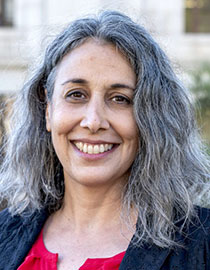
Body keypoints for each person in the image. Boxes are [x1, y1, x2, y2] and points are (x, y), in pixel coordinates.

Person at [0, 10, 210, 270]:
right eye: (76, 94)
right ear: (48, 110)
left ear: (151, 117)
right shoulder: (3, 234)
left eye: (120, 98)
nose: (93, 121)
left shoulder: (202, 245)